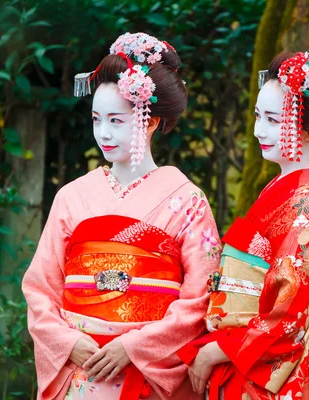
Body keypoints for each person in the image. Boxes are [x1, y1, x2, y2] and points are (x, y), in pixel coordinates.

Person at [22, 32, 222, 400]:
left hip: (147, 373)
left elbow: (201, 298)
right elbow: (40, 288)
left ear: (150, 120)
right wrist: (67, 342)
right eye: (97, 119)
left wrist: (134, 346)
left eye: (116, 120)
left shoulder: (188, 201)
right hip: (81, 368)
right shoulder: (71, 197)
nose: (103, 133)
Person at [177, 47, 309, 399]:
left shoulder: (306, 203)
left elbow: (288, 313)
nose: (260, 129)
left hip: (258, 367)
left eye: (274, 121)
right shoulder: (282, 189)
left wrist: (216, 352)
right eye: (258, 116)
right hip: (236, 349)